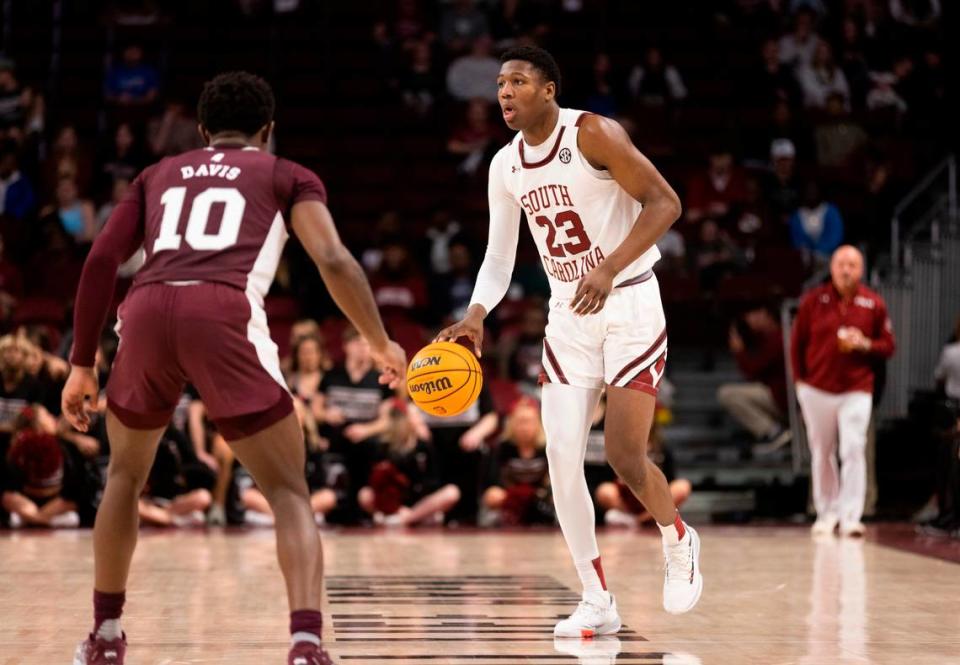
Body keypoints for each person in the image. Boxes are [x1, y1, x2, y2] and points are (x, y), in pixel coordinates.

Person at [61, 71, 407, 665]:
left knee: (123, 477)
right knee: (289, 491)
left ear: (200, 131)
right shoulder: (285, 174)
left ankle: (106, 636)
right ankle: (305, 644)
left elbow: (100, 260)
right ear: (268, 131)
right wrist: (378, 341)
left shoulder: (155, 174)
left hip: (144, 309)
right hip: (221, 310)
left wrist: (80, 363)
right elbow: (332, 258)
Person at [436, 46, 702, 638]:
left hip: (629, 299)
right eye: (500, 83)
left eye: (519, 81)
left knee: (625, 458)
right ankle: (596, 596)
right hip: (569, 316)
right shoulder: (504, 166)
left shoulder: (592, 134)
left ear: (549, 89)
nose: (505, 92)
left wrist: (607, 269)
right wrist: (476, 313)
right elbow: (499, 255)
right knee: (560, 458)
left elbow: (666, 203)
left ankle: (677, 537)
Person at [791, 245, 895, 538]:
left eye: (852, 264)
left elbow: (888, 345)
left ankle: (851, 516)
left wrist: (865, 344)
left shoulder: (873, 303)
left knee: (853, 448)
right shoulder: (813, 300)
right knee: (822, 452)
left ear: (861, 270)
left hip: (856, 388)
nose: (846, 270)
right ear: (832, 268)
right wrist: (800, 383)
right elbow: (796, 344)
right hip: (816, 389)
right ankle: (826, 513)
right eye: (841, 264)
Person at [358, 400, 460, 526]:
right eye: (415, 416)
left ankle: (407, 518)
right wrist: (393, 506)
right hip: (393, 501)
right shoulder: (384, 445)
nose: (419, 420)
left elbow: (434, 480)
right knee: (364, 494)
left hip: (419, 501)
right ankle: (404, 517)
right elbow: (376, 481)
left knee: (452, 492)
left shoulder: (424, 445)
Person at [717, 305, 791, 454]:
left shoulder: (779, 337)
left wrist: (739, 351)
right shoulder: (766, 337)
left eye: (753, 313)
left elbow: (753, 370)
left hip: (784, 400)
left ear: (765, 314)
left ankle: (773, 432)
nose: (748, 319)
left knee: (727, 394)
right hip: (782, 398)